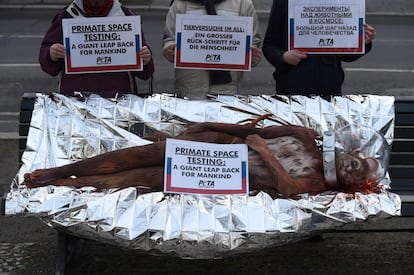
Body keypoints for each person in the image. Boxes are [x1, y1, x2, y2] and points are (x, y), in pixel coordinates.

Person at [24, 118, 386, 198]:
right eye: (354, 161)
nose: (348, 168)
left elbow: (287, 187)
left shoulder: (318, 183)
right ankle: (59, 170)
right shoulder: (304, 137)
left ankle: (57, 182)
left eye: (355, 173)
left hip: (225, 176)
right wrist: (208, 124)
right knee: (140, 154)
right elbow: (246, 132)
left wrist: (263, 153)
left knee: (138, 177)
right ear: (350, 152)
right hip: (217, 155)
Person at [39, 0, 155, 98]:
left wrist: (145, 60)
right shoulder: (67, 16)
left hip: (118, 102)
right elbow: (48, 65)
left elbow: (145, 72)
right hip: (76, 102)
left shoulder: (126, 16)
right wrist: (51, 55)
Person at [262, 0, 377, 96]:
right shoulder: (284, 2)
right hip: (291, 88)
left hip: (329, 91)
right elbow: (269, 45)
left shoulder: (341, 2)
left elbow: (345, 55)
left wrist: (363, 43)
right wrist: (283, 57)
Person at [162, 0, 263, 99]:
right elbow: (170, 38)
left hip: (226, 91)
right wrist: (170, 50)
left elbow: (254, 43)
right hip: (188, 88)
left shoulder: (242, 3)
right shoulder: (181, 3)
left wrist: (252, 56)